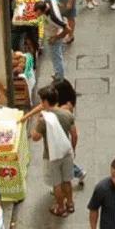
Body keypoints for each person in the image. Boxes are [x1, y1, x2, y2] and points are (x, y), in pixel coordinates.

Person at [31, 85, 78, 217]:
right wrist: (73, 150)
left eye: (41, 101)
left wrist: (38, 122)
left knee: (56, 184)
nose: (40, 103)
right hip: (66, 153)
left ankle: (60, 208)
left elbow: (35, 137)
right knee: (67, 181)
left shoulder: (44, 119)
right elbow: (74, 135)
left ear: (46, 102)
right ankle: (70, 203)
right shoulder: (67, 114)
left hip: (51, 156)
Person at [32, 0, 69, 80]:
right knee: (53, 56)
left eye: (39, 13)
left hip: (55, 34)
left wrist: (55, 38)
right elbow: (59, 3)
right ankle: (57, 73)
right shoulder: (49, 0)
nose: (37, 15)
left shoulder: (53, 18)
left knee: (56, 56)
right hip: (50, 31)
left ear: (44, 10)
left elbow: (67, 29)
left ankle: (60, 77)